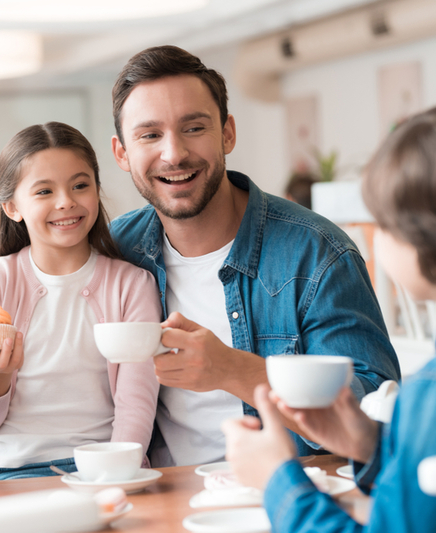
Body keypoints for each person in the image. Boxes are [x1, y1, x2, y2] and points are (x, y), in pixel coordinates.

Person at [108, 45, 401, 467]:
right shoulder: (117, 252)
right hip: (159, 497)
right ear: (122, 152)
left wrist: (233, 371)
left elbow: (375, 418)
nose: (173, 153)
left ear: (227, 132)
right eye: (150, 135)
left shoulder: (316, 253)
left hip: (286, 498)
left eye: (193, 128)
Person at [222, 107, 436, 533]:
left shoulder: (427, 401)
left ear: (418, 236)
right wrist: (373, 447)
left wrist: (278, 482)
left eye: (382, 224)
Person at [0, 122, 161, 482]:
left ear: (97, 190)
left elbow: (136, 405)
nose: (66, 201)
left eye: (80, 185)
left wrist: (112, 476)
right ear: (11, 207)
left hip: (103, 467)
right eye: (44, 191)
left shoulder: (132, 284)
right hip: (8, 470)